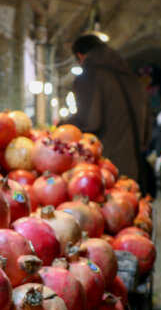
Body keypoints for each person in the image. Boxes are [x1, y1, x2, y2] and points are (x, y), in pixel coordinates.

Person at [62, 33, 152, 194]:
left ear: (80, 56)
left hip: (105, 170)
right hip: (135, 166)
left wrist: (62, 128)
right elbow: (147, 133)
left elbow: (91, 122)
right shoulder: (135, 80)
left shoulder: (90, 75)